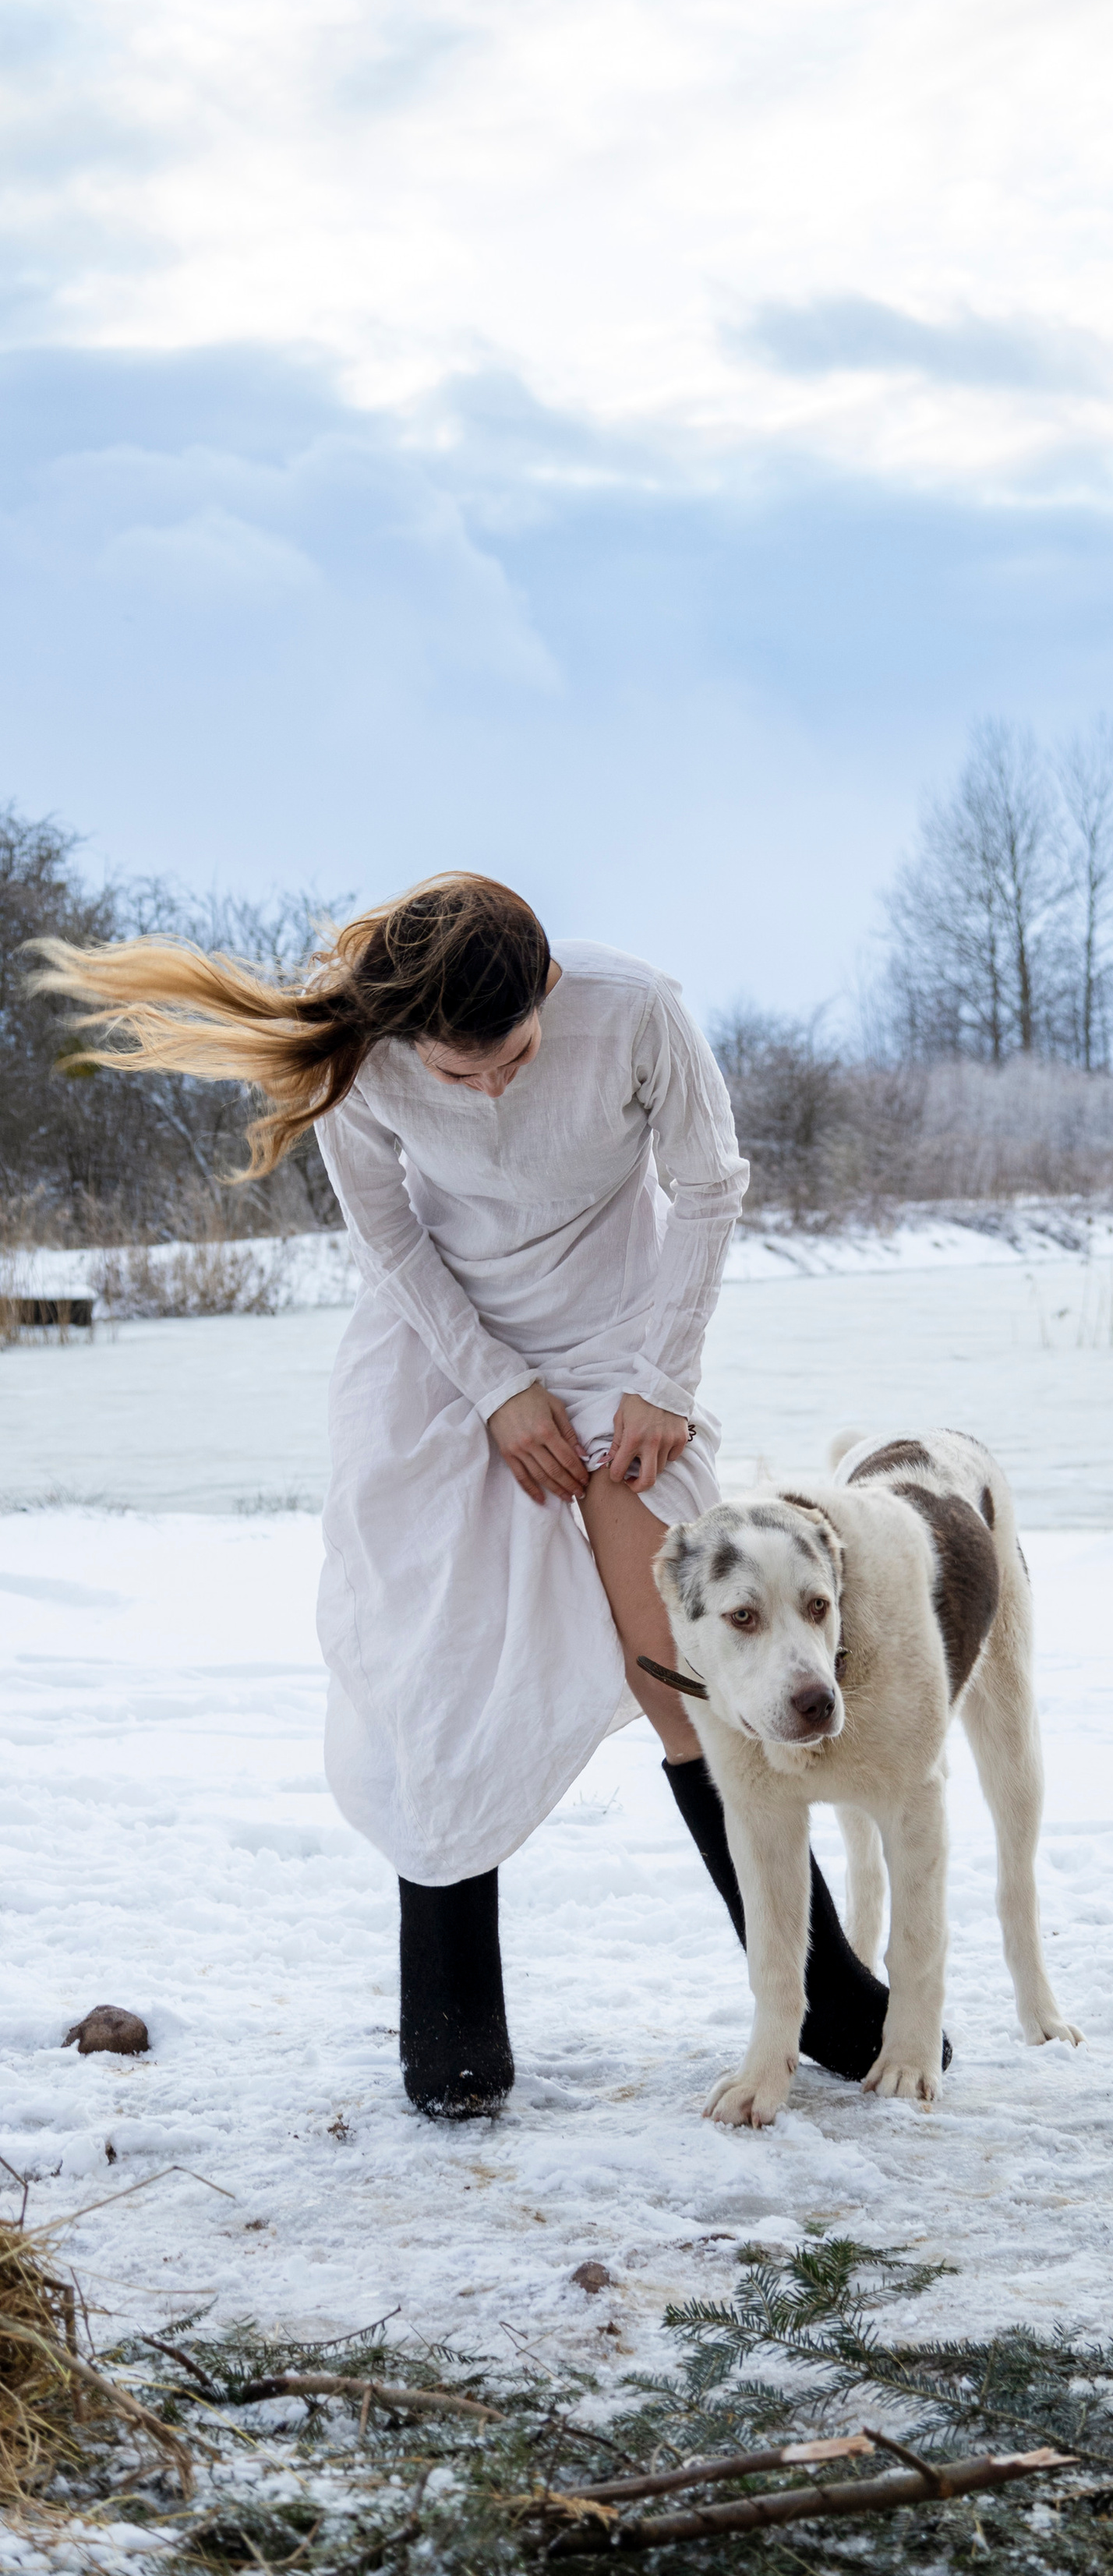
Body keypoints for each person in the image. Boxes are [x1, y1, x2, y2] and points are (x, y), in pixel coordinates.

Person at [32, 877, 897, 2116]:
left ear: (547, 994)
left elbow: (709, 1190)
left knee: (689, 1667)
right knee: (433, 1668)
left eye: (512, 1059)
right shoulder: (366, 1053)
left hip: (619, 1342)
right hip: (445, 1354)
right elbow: (392, 1242)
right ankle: (451, 2026)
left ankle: (827, 2000)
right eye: (458, 1073)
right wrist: (497, 1388)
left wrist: (660, 1380)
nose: (489, 1088)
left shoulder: (636, 1009)